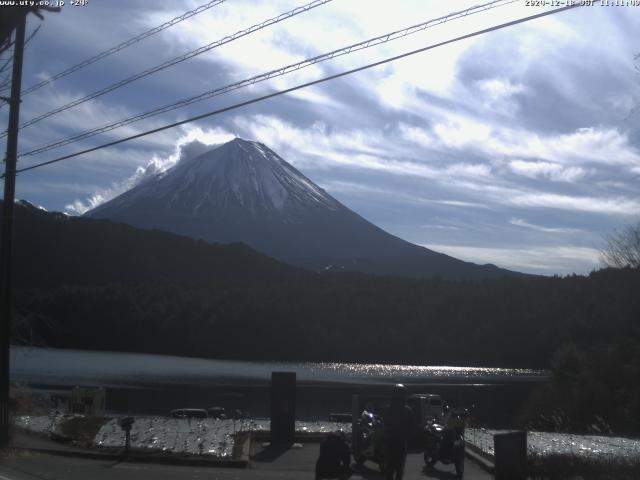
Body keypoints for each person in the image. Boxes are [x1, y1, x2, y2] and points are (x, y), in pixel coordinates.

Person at [380, 383, 415, 480]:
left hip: (391, 442)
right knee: (398, 469)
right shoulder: (408, 411)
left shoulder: (387, 409)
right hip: (399, 442)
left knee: (390, 469)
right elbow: (412, 428)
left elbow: (383, 425)